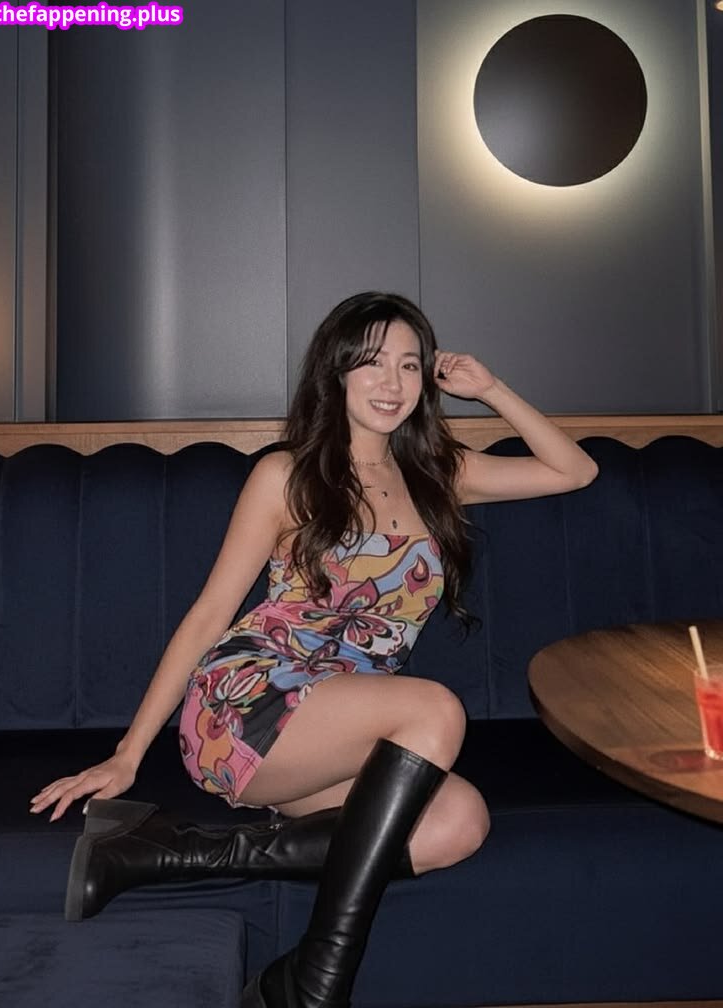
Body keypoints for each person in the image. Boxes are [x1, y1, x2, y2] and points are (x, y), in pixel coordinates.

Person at [30, 291, 598, 1008]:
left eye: (410, 365)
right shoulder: (288, 476)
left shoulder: (439, 473)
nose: (392, 383)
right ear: (336, 372)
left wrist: (491, 390)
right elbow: (208, 616)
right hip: (248, 707)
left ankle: (164, 851)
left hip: (337, 735)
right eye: (372, 363)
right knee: (435, 709)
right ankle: (316, 982)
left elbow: (574, 471)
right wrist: (128, 753)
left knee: (459, 823)